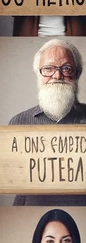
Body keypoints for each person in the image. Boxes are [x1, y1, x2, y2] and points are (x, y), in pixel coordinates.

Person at [6, 39, 86, 206]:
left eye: (66, 68)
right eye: (48, 69)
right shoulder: (18, 122)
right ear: (38, 74)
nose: (57, 76)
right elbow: (12, 178)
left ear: (76, 74)